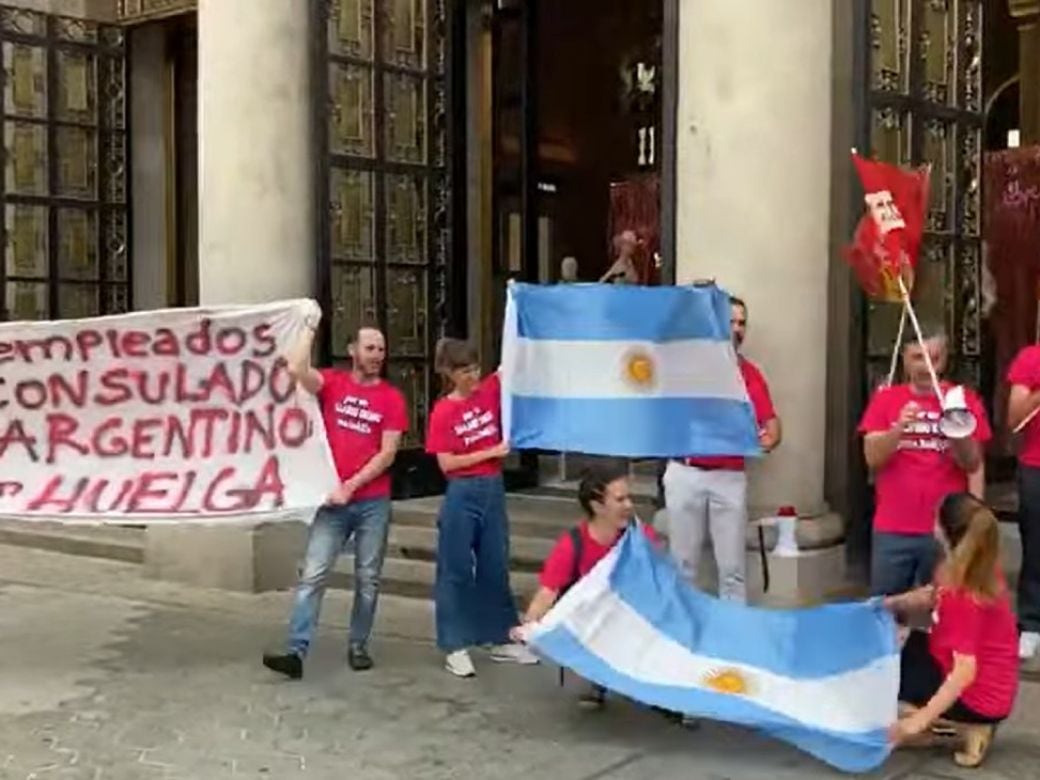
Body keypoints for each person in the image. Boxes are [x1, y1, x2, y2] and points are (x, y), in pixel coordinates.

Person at [263, 307, 408, 679]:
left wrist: (351, 486)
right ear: (353, 350)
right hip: (331, 501)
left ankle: (358, 644)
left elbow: (387, 453)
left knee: (368, 577)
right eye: (370, 347)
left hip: (371, 501)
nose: (377, 355)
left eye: (381, 349)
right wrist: (308, 326)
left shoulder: (392, 398)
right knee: (313, 575)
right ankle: (296, 650)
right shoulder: (334, 383)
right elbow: (295, 370)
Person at [425, 339, 537, 677]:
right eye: (464, 371)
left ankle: (500, 636)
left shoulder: (489, 390)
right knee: (455, 569)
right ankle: (454, 644)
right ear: (449, 373)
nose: (472, 376)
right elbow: (447, 463)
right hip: (462, 492)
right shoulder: (443, 410)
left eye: (475, 368)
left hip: (492, 488)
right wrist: (491, 452)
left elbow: (512, 363)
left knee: (495, 564)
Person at [885, 493, 1019, 769]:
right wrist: (887, 605)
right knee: (892, 646)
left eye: (935, 517)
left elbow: (964, 671)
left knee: (884, 672)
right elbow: (934, 595)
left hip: (979, 697)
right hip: (991, 683)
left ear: (944, 530)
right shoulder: (974, 566)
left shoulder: (964, 595)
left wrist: (914, 724)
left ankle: (956, 726)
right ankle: (949, 722)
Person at [663, 295, 781, 603]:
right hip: (685, 471)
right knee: (683, 564)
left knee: (732, 569)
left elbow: (771, 425)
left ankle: (732, 637)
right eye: (731, 321)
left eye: (742, 323)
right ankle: (684, 635)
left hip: (729, 476)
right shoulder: (687, 370)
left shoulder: (751, 375)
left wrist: (767, 440)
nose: (738, 329)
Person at [513, 461, 658, 709]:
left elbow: (661, 585)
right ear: (597, 506)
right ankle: (597, 679)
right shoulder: (572, 545)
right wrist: (528, 627)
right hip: (593, 624)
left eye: (628, 498)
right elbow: (547, 592)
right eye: (620, 500)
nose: (629, 506)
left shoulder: (641, 538)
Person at [860, 325, 991, 596]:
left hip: (946, 528)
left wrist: (957, 429)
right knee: (886, 609)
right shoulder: (886, 399)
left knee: (946, 610)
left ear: (945, 359)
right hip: (894, 527)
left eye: (934, 358)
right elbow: (872, 458)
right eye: (918, 357)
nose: (925, 366)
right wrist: (898, 430)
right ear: (904, 359)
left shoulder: (963, 399)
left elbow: (972, 464)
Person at [1006, 342, 1040, 660]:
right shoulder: (1031, 358)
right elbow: (1014, 418)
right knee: (1035, 548)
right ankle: (1031, 623)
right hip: (1036, 466)